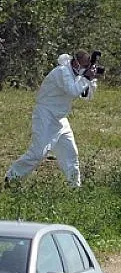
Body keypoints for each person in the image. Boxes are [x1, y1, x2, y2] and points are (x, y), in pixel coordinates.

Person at [6, 51, 98, 187]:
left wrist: (92, 79)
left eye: (87, 66)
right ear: (76, 62)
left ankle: (75, 187)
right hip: (45, 115)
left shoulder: (78, 75)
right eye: (84, 65)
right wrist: (86, 78)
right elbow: (72, 91)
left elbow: (86, 97)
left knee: (71, 153)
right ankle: (11, 178)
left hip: (61, 118)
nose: (85, 68)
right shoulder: (62, 72)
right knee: (38, 153)